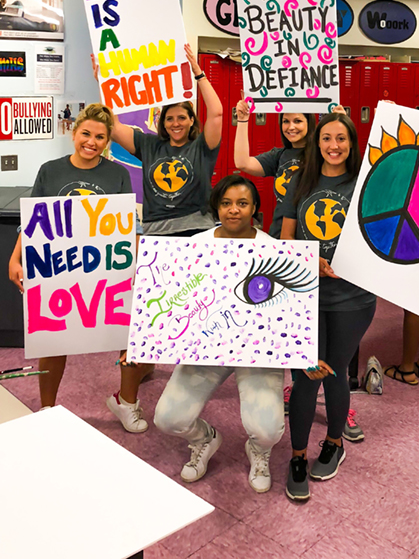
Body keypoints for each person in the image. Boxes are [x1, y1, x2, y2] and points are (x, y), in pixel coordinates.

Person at [8, 103, 153, 433]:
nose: (92, 142)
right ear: (74, 133)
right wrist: (16, 258)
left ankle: (126, 401)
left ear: (107, 142)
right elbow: (33, 223)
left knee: (125, 331)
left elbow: (125, 225)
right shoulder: (50, 170)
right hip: (58, 269)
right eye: (86, 134)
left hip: (103, 268)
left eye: (100, 137)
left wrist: (135, 262)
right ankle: (46, 407)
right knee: (53, 339)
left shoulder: (116, 174)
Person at [153, 174, 285, 493]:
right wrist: (143, 343)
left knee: (267, 429)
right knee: (167, 418)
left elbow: (287, 315)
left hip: (256, 351)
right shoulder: (194, 247)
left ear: (255, 207)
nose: (234, 210)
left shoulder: (274, 251)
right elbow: (171, 302)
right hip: (206, 348)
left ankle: (259, 450)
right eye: (226, 203)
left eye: (242, 203)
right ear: (216, 207)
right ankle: (205, 439)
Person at [280, 112, 376, 501]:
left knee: (334, 372)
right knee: (305, 375)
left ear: (353, 145)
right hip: (303, 294)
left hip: (353, 298)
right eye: (326, 139)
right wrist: (309, 261)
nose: (333, 146)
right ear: (316, 143)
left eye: (342, 139)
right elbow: (286, 239)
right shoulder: (301, 181)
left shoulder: (363, 185)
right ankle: (298, 456)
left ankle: (335, 443)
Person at [92, 43, 223, 236]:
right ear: (163, 122)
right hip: (156, 232)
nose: (175, 124)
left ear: (191, 120)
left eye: (181, 118)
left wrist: (199, 74)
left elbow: (217, 114)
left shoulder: (202, 147)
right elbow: (115, 127)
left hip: (197, 229)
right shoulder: (149, 145)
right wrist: (104, 83)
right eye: (169, 119)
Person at [234, 100, 316, 238]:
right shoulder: (279, 156)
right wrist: (242, 120)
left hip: (310, 238)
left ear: (309, 123)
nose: (291, 127)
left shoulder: (321, 155)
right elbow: (242, 163)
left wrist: (339, 123)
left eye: (297, 121)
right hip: (279, 236)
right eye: (285, 121)